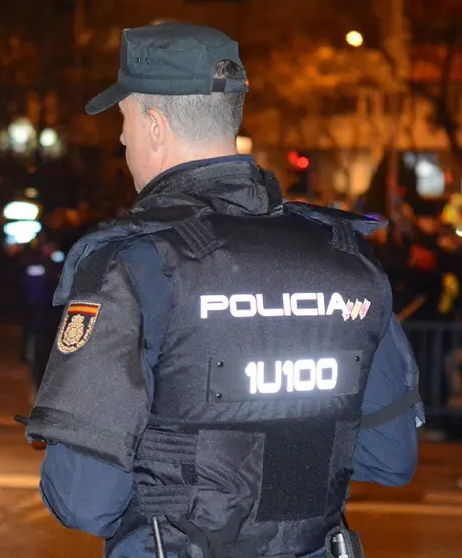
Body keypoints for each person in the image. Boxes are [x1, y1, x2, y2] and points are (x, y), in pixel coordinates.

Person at [24, 23, 423, 558]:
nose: (122, 140)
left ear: (155, 124)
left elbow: (84, 500)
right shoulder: (345, 256)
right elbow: (390, 459)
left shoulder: (136, 263)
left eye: (123, 123)